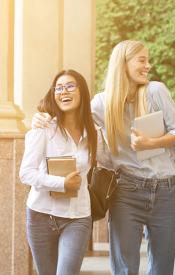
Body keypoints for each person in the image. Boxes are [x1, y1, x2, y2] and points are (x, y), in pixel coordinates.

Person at [32, 40, 175, 274]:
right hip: (126, 190)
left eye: (148, 60)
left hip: (166, 190)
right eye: (142, 60)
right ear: (123, 63)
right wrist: (40, 117)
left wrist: (153, 142)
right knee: (124, 268)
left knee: (163, 267)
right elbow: (71, 114)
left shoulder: (156, 91)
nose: (148, 65)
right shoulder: (101, 103)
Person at [20, 69, 97, 275]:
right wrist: (61, 183)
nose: (64, 91)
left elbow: (110, 161)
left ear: (82, 92)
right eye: (59, 88)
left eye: (70, 86)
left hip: (78, 216)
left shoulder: (93, 132)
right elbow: (26, 173)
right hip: (41, 214)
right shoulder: (44, 128)